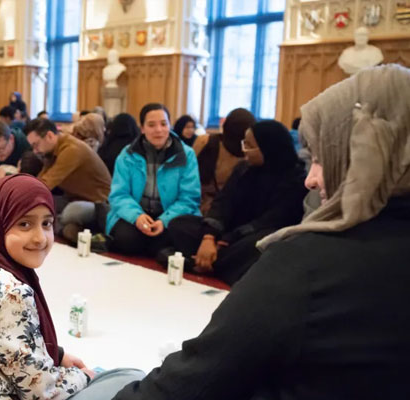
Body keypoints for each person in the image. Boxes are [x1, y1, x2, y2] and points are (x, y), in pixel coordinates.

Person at [113, 63, 410, 400]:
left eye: (324, 158)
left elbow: (190, 382)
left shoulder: (304, 266)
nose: (311, 178)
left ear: (367, 151)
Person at [0, 174, 144, 399]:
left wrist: (59, 354)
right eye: (24, 224)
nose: (40, 238)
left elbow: (7, 346)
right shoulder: (11, 292)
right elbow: (42, 393)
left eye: (46, 224)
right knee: (131, 379)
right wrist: (85, 376)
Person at [168, 120, 308, 285]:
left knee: (263, 245)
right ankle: (214, 263)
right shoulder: (244, 169)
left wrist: (223, 241)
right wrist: (208, 237)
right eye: (244, 143)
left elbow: (272, 221)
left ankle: (204, 261)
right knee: (179, 224)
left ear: (268, 148)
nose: (244, 151)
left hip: (251, 236)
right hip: (228, 234)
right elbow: (222, 203)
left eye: (249, 146)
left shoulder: (295, 179)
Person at [105, 103, 201, 263]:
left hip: (172, 215)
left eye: (164, 124)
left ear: (170, 125)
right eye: (151, 125)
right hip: (137, 213)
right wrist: (137, 216)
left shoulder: (186, 155)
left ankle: (157, 247)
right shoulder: (127, 154)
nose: (159, 130)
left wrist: (164, 221)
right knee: (127, 239)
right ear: (142, 128)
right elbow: (119, 194)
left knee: (174, 235)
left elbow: (189, 198)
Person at [26, 118, 112, 241]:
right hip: (72, 199)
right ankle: (65, 228)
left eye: (36, 145)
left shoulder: (72, 150)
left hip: (98, 204)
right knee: (40, 207)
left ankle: (60, 227)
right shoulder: (54, 149)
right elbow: (40, 180)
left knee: (69, 213)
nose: (35, 150)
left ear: (49, 136)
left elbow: (46, 184)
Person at [193, 107, 255, 214]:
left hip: (231, 212)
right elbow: (189, 178)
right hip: (199, 207)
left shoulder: (251, 154)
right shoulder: (205, 143)